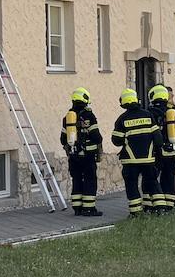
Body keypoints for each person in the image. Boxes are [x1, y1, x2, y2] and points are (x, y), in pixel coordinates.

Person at [110, 88, 160, 218]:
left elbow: (116, 141)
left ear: (123, 102)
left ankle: (136, 212)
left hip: (130, 161)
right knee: (152, 182)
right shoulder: (148, 115)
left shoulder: (122, 119)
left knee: (131, 184)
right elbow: (158, 138)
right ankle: (161, 208)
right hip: (148, 160)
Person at [59, 88, 105, 217]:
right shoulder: (89, 116)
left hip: (73, 156)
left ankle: (77, 208)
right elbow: (97, 137)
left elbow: (63, 139)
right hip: (88, 156)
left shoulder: (67, 118)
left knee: (77, 179)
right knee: (90, 180)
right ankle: (89, 209)